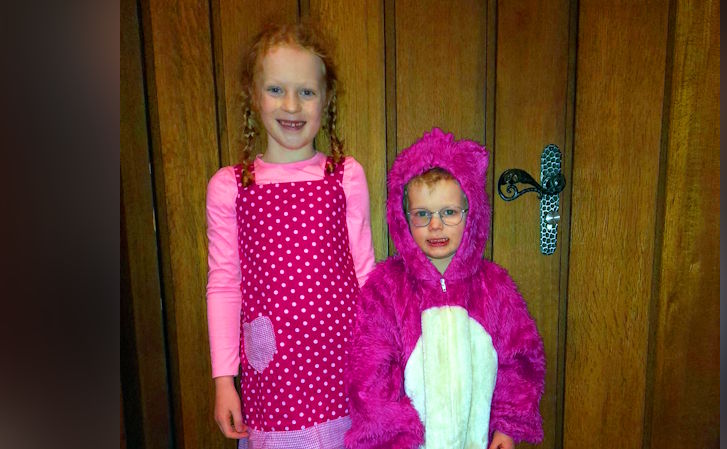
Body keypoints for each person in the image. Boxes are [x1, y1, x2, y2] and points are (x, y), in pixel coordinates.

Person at [205, 21, 375, 449]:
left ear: (326, 98)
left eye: (307, 92)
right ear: (253, 95)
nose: (292, 105)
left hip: (343, 364)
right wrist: (224, 379)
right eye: (276, 89)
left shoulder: (345, 176)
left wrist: (380, 356)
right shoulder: (231, 186)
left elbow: (366, 274)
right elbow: (224, 285)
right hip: (274, 377)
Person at [344, 128, 545, 449]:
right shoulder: (387, 290)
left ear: (471, 214)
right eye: (422, 214)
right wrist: (394, 437)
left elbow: (520, 361)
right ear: (403, 218)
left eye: (449, 212)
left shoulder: (495, 288)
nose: (435, 225)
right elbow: (371, 374)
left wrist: (507, 426)